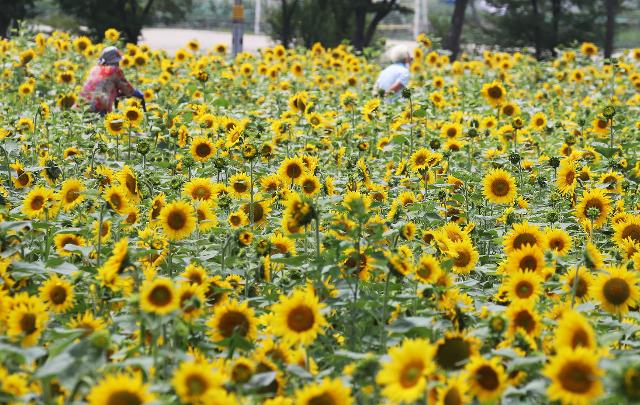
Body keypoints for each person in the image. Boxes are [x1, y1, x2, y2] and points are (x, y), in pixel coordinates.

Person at [80, 46, 144, 115]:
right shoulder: (114, 70)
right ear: (115, 61)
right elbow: (128, 90)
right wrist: (138, 94)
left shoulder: (95, 69)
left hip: (82, 106)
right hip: (98, 108)